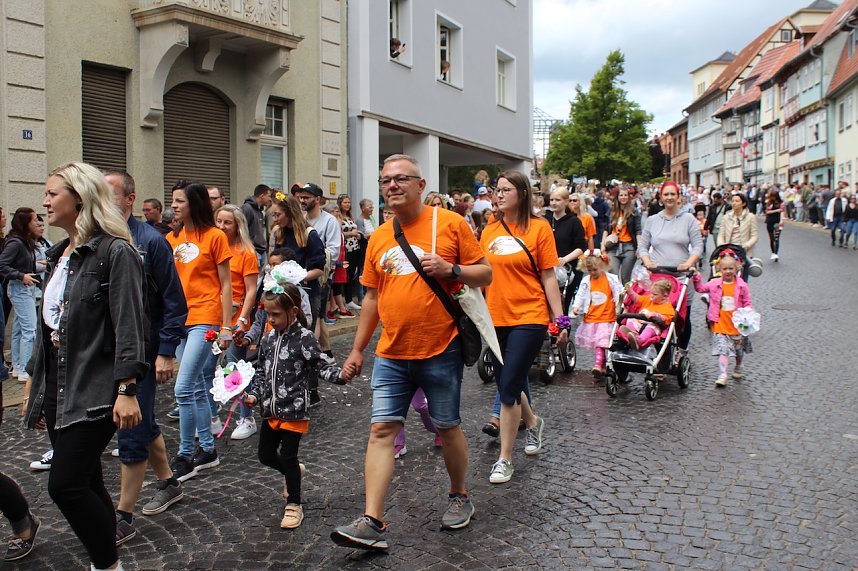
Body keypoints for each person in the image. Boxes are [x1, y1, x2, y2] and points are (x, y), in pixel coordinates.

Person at [331, 154, 491, 550]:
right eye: (386, 179)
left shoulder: (450, 224)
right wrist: (356, 350)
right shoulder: (380, 237)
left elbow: (485, 272)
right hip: (391, 352)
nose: (392, 185)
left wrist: (450, 269)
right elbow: (370, 296)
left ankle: (459, 494)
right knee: (382, 429)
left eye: (402, 178)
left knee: (448, 425)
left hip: (441, 348)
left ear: (421, 185)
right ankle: (372, 521)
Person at [24, 162, 147, 571]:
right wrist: (36, 392)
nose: (44, 201)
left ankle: (107, 564)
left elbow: (129, 326)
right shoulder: (59, 255)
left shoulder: (115, 251)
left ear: (79, 198)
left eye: (51, 193)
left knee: (65, 484)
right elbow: (49, 331)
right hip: (61, 386)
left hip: (97, 387)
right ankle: (106, 557)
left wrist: (127, 390)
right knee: (89, 480)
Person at [104, 170, 188, 543]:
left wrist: (166, 352)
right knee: (143, 418)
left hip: (143, 351)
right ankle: (169, 482)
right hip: (107, 351)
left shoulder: (150, 241)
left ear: (129, 200)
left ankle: (123, 516)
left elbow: (173, 301)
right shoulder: (97, 238)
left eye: (109, 194)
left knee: (131, 427)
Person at [480, 170, 566, 485]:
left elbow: (548, 277)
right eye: (496, 190)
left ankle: (504, 459)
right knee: (508, 382)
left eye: (505, 190)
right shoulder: (488, 231)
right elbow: (482, 273)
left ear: (522, 194)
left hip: (530, 316)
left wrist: (560, 319)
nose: (498, 194)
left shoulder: (540, 229)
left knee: (508, 387)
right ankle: (532, 421)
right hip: (495, 317)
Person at [244, 281, 345, 529]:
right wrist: (255, 395)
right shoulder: (267, 339)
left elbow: (322, 366)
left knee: (288, 455)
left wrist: (342, 376)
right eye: (268, 314)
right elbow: (260, 373)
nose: (271, 319)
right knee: (265, 455)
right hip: (270, 410)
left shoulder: (305, 338)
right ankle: (293, 472)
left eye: (276, 314)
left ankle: (294, 505)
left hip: (294, 410)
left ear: (293, 310)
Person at [166, 181, 233, 482]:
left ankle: (184, 454)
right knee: (193, 388)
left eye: (179, 201)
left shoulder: (215, 236)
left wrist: (228, 325)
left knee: (183, 388)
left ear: (193, 203)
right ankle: (207, 450)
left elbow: (226, 284)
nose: (175, 206)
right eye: (173, 201)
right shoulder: (170, 239)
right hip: (179, 318)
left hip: (206, 318)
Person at [638, 180, 704, 350]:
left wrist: (688, 263)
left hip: (681, 275)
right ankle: (660, 352)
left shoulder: (688, 219)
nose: (669, 197)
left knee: (682, 316)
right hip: (658, 276)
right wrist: (647, 262)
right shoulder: (652, 220)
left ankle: (681, 350)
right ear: (661, 197)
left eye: (672, 194)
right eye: (666, 194)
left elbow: (698, 245)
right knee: (656, 314)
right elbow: (643, 246)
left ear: (678, 197)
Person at [214, 204, 260, 440]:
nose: (222, 226)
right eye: (219, 221)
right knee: (210, 370)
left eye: (227, 222)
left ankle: (246, 417)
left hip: (234, 320)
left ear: (238, 225)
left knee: (235, 369)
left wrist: (243, 319)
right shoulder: (213, 248)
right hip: (212, 316)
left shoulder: (246, 253)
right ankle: (212, 418)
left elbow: (251, 290)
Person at [690, 252, 753, 386]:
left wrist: (747, 313)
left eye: (731, 268)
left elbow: (747, 302)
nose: (728, 271)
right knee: (722, 349)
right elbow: (700, 288)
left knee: (738, 350)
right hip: (719, 322)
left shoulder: (742, 286)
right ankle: (723, 374)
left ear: (737, 269)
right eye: (725, 269)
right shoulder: (714, 283)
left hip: (737, 323)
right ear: (719, 269)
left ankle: (738, 366)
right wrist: (696, 277)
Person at [0, 208, 43, 383]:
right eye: (34, 221)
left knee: (21, 329)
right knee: (29, 330)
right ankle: (25, 369)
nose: (37, 224)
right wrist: (21, 276)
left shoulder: (24, 242)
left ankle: (19, 367)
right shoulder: (16, 242)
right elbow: (2, 264)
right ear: (26, 223)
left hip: (25, 288)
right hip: (20, 288)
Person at [570, 251, 623, 378]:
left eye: (594, 269)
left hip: (607, 316)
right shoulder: (586, 281)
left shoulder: (611, 279)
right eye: (589, 270)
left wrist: (618, 305)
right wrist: (576, 306)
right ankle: (602, 365)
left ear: (602, 266)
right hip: (592, 317)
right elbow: (580, 295)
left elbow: (619, 292)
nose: (592, 272)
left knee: (601, 342)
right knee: (600, 343)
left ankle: (598, 364)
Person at [545, 189, 586, 313]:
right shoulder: (544, 220)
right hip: (546, 268)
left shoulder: (574, 222)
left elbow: (580, 247)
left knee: (562, 306)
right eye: (552, 200)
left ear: (566, 201)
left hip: (567, 270)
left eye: (558, 200)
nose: (554, 203)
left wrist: (565, 259)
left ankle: (562, 330)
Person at [617, 278, 675, 350]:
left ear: (665, 296)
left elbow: (666, 319)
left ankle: (639, 340)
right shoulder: (648, 300)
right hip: (640, 323)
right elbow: (637, 298)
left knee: (652, 326)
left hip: (653, 326)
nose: (651, 296)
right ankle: (632, 333)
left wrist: (654, 315)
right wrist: (630, 291)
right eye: (651, 293)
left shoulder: (668, 308)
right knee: (631, 318)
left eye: (655, 294)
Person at [602, 187, 641, 284]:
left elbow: (638, 231)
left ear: (629, 197)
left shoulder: (634, 211)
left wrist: (639, 247)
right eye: (621, 195)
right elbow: (606, 229)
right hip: (613, 246)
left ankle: (625, 299)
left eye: (625, 195)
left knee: (625, 278)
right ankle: (615, 299)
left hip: (629, 247)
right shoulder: (612, 211)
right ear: (617, 197)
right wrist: (603, 245)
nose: (623, 197)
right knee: (613, 277)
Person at [392, 388, 442, 459]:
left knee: (420, 406)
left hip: (420, 377)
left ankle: (440, 429)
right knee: (395, 406)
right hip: (395, 378)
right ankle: (398, 443)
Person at [717, 193, 759, 261]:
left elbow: (755, 236)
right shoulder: (726, 217)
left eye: (737, 201)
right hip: (728, 251)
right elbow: (721, 235)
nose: (734, 203)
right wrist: (722, 245)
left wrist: (746, 245)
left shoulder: (751, 217)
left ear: (743, 203)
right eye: (732, 201)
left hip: (744, 251)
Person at [338, 195, 362, 312]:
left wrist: (357, 235)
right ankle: (347, 300)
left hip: (354, 247)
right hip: (346, 249)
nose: (347, 204)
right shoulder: (339, 218)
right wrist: (351, 234)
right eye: (345, 202)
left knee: (352, 274)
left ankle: (349, 300)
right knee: (346, 275)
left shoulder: (350, 216)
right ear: (340, 204)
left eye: (349, 202)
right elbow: (339, 234)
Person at [241, 184, 272, 270]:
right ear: (262, 196)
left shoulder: (260, 211)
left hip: (261, 251)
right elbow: (241, 230)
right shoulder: (246, 209)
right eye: (269, 196)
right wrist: (250, 249)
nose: (270, 199)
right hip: (253, 251)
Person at [764, 189, 784, 261]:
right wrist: (776, 210)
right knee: (772, 238)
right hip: (769, 221)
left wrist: (782, 221)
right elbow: (767, 212)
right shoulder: (768, 202)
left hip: (777, 222)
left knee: (777, 238)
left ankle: (776, 253)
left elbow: (782, 211)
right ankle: (773, 252)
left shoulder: (780, 203)